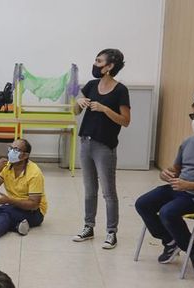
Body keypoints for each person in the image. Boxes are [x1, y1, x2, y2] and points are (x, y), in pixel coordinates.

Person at [134, 96, 194, 273]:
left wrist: (189, 185)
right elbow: (174, 170)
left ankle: (193, 251)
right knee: (143, 203)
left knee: (168, 212)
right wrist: (165, 174)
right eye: (193, 116)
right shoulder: (188, 142)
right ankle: (170, 241)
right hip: (179, 188)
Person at [73, 48, 131, 249]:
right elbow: (75, 111)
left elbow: (125, 121)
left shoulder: (120, 90)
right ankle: (88, 227)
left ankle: (111, 232)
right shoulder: (90, 85)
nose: (95, 65)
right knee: (89, 190)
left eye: (99, 61)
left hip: (104, 146)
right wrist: (78, 102)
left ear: (109, 67)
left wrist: (105, 109)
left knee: (108, 192)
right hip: (85, 143)